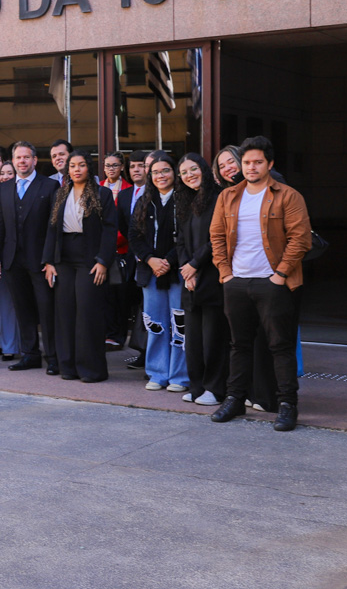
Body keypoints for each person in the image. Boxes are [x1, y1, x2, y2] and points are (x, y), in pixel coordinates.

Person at [210, 136, 312, 432]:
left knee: (280, 346)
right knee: (238, 344)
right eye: (246, 162)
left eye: (257, 162)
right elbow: (216, 236)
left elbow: (300, 238)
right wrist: (225, 273)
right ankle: (234, 399)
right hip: (237, 281)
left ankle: (287, 405)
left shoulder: (288, 196)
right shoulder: (228, 196)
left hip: (273, 283)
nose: (251, 167)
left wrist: (279, 274)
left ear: (269, 164)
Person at [43, 150, 117, 383]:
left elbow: (110, 229)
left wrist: (103, 261)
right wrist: (49, 262)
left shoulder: (102, 194)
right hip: (63, 258)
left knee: (87, 313)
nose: (76, 169)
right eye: (72, 165)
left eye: (81, 165)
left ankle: (91, 370)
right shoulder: (60, 194)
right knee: (65, 313)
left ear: (89, 168)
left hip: (90, 259)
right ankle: (69, 367)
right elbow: (52, 229)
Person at [0, 141, 61, 374]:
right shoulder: (6, 187)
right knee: (23, 309)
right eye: (18, 158)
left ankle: (53, 357)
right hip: (12, 260)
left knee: (47, 310)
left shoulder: (49, 186)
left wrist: (51, 259)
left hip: (40, 261)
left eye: (26, 158)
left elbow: (54, 227)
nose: (22, 161)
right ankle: (30, 355)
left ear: (34, 160)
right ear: (13, 160)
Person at [130, 154, 188, 393]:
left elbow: (187, 237)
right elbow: (135, 236)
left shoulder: (185, 199)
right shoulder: (145, 201)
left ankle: (180, 376)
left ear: (174, 173)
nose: (160, 176)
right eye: (155, 172)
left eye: (165, 171)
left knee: (179, 324)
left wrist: (168, 261)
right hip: (150, 271)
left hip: (177, 272)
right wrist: (151, 259)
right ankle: (157, 372)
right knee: (155, 323)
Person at [175, 153, 228, 406]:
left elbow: (216, 239)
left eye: (193, 169)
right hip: (190, 278)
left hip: (212, 275)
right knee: (193, 340)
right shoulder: (185, 200)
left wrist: (195, 265)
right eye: (184, 172)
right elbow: (181, 241)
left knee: (213, 338)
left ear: (204, 169)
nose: (189, 176)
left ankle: (215, 389)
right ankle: (196, 387)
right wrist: (186, 268)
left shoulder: (219, 197)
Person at [117, 151, 149, 368]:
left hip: (154, 259)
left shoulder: (156, 191)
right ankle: (141, 351)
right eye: (132, 166)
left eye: (140, 165)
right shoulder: (126, 194)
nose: (136, 170)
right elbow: (121, 223)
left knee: (149, 307)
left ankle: (149, 354)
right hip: (131, 258)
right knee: (137, 305)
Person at [101, 151, 131, 348]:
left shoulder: (128, 189)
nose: (110, 169)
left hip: (122, 249)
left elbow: (125, 223)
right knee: (105, 296)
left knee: (120, 296)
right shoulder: (98, 188)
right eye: (107, 165)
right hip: (102, 250)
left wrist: (112, 241)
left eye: (114, 165)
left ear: (122, 167)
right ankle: (106, 334)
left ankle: (118, 335)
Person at [0, 161, 20, 359]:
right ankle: (9, 347)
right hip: (4, 257)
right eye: (3, 173)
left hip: (28, 258)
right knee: (6, 304)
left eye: (10, 173)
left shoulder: (24, 193)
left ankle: (25, 346)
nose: (5, 176)